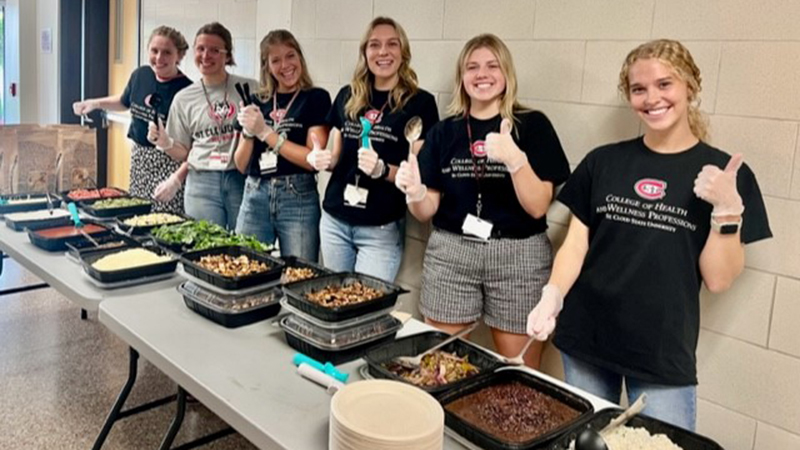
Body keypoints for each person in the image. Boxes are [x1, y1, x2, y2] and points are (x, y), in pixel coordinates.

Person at [525, 39, 772, 430]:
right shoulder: (603, 161)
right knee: (589, 442)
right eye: (639, 89)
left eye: (664, 84)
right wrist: (552, 295)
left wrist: (727, 210)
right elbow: (576, 244)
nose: (652, 98)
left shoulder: (725, 174)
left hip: (661, 355)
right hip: (587, 339)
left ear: (690, 86)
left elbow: (719, 279)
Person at [394, 34, 570, 368]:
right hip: (451, 253)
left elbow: (537, 207)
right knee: (441, 366)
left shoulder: (532, 126)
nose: (481, 74)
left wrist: (516, 162)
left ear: (506, 74)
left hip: (518, 257)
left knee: (519, 370)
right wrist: (415, 193)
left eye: (492, 66)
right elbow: (426, 211)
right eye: (472, 67)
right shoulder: (444, 132)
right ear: (462, 77)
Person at [309, 17, 438, 281]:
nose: (383, 52)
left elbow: (416, 174)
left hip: (380, 227)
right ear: (364, 52)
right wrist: (320, 158)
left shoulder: (420, 103)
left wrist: (382, 169)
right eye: (374, 45)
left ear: (403, 52)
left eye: (392, 44)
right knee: (333, 299)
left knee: (367, 308)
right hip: (335, 218)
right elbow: (336, 157)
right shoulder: (348, 95)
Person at [148, 22, 256, 229]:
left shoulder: (250, 88)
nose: (206, 55)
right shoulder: (184, 98)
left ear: (228, 55)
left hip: (240, 178)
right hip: (201, 182)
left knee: (244, 246)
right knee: (206, 248)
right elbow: (182, 153)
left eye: (215, 50)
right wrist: (166, 142)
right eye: (201, 49)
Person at [234, 30, 331, 261]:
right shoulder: (257, 100)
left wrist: (265, 133)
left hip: (297, 196)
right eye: (275, 60)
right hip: (255, 191)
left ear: (300, 57)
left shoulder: (316, 98)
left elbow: (310, 161)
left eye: (290, 56)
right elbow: (240, 164)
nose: (285, 65)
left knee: (299, 274)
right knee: (245, 265)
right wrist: (249, 132)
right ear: (266, 66)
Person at [72, 26, 192, 213]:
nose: (159, 58)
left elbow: (193, 149)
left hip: (169, 166)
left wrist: (176, 180)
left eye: (167, 52)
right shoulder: (141, 75)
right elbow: (124, 101)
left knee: (164, 223)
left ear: (180, 55)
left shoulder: (186, 91)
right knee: (137, 216)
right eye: (154, 51)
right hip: (140, 161)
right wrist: (95, 103)